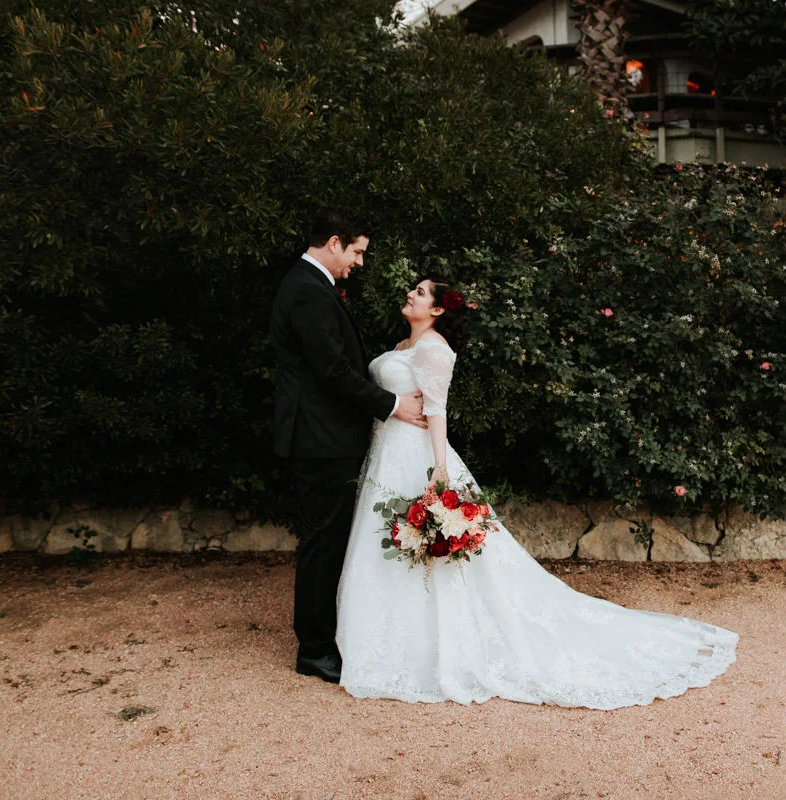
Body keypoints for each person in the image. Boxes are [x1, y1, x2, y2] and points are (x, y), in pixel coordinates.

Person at [335, 277, 738, 708]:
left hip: (414, 456)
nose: (410, 294)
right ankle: (388, 638)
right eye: (413, 290)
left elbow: (437, 409)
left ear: (436, 311)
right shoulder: (401, 345)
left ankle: (429, 646)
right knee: (387, 545)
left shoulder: (434, 349)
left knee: (431, 548)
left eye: (420, 292)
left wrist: (439, 469)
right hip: (384, 455)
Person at [270, 208, 425, 684]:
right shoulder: (307, 291)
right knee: (323, 541)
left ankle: (323, 638)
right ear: (335, 242)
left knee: (329, 538)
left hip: (324, 436)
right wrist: (393, 403)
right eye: (357, 252)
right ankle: (314, 649)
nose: (359, 262)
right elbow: (331, 371)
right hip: (320, 440)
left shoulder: (308, 285)